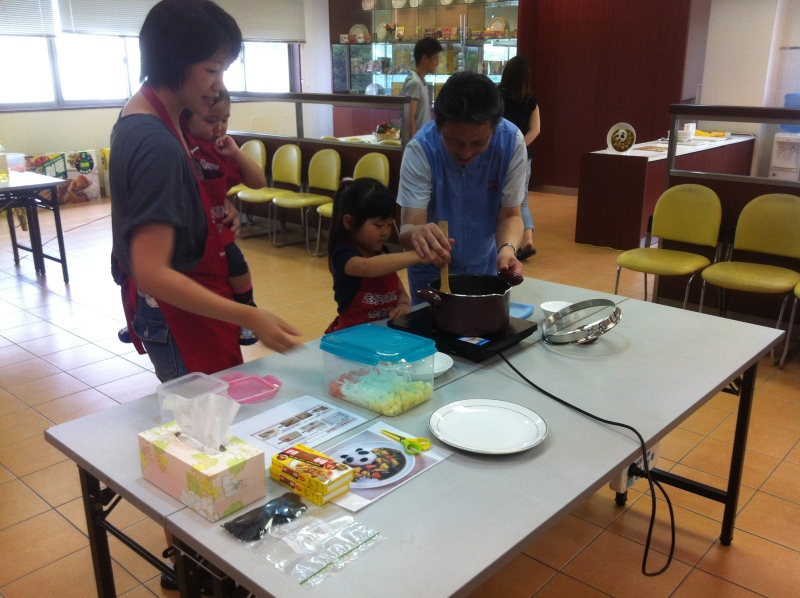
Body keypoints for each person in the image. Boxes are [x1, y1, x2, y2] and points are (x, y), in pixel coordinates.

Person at [110, 0, 302, 383]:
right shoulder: (154, 142)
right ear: (174, 62)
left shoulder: (161, 120)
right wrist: (250, 314)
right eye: (212, 69)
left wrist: (215, 205)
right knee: (205, 427)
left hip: (192, 303)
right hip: (178, 313)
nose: (219, 85)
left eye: (224, 70)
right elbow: (151, 272)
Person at [397, 71, 526, 302]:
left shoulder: (511, 143)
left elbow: (510, 214)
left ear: (494, 128)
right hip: (430, 273)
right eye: (454, 141)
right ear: (438, 124)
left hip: (484, 267)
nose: (466, 153)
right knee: (431, 333)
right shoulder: (421, 150)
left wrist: (507, 250)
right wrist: (417, 233)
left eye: (479, 142)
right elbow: (408, 226)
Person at [184, 88, 266, 345]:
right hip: (192, 232)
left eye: (225, 119)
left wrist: (237, 153)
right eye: (210, 120)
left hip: (219, 230)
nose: (219, 127)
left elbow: (259, 182)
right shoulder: (180, 144)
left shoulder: (219, 150)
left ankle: (247, 306)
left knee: (235, 262)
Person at [325, 178, 441, 332]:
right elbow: (369, 267)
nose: (386, 232)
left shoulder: (382, 252)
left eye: (389, 224)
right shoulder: (343, 256)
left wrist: (403, 304)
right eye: (379, 225)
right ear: (349, 222)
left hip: (383, 334)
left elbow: (401, 293)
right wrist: (420, 255)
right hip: (351, 336)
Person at [499, 55, 540, 261]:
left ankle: (506, 240)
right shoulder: (530, 101)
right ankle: (527, 237)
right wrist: (520, 146)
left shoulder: (498, 96)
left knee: (501, 199)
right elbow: (536, 129)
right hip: (524, 157)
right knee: (520, 200)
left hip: (498, 155)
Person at [401, 37, 444, 138]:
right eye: (435, 59)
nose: (437, 63)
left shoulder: (420, 81)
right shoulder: (415, 83)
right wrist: (413, 144)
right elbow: (409, 117)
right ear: (424, 59)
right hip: (418, 140)